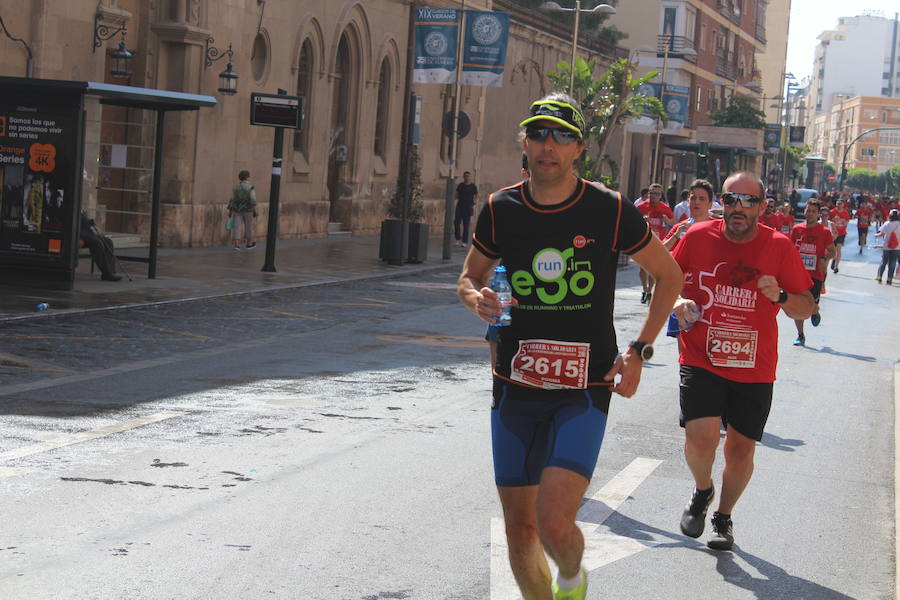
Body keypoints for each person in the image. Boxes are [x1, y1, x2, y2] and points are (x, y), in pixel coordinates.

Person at [457, 93, 682, 600]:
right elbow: (468, 278)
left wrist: (639, 351)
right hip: (514, 387)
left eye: (561, 136)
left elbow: (669, 276)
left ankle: (574, 581)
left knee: (554, 522)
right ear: (524, 143)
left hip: (583, 387)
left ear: (578, 147)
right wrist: (477, 300)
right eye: (538, 134)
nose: (548, 145)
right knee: (519, 528)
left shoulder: (609, 209)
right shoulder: (501, 208)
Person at [670, 171, 814, 551]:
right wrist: (676, 302)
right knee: (700, 438)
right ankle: (703, 490)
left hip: (754, 365)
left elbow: (806, 303)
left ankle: (723, 516)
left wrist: (781, 296)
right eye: (730, 199)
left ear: (762, 207)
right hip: (701, 355)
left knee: (740, 450)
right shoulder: (698, 236)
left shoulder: (779, 246)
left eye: (748, 201)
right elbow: (667, 277)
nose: (737, 207)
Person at [789, 200, 835, 346]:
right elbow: (789, 250)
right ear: (805, 211)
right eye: (808, 210)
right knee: (799, 307)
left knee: (811, 307)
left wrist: (824, 259)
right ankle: (800, 335)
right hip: (799, 274)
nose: (810, 214)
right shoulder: (797, 229)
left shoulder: (824, 232)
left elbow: (832, 251)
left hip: (815, 275)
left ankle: (815, 311)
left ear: (818, 214)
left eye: (813, 211)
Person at [636, 183, 675, 303]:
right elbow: (633, 221)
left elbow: (673, 222)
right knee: (643, 269)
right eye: (652, 193)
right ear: (648, 193)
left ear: (661, 195)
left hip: (659, 242)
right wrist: (641, 220)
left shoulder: (665, 208)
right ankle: (645, 289)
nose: (654, 196)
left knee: (653, 269)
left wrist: (667, 220)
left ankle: (649, 290)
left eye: (657, 194)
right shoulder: (641, 207)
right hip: (644, 240)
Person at [662, 179, 713, 251]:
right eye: (693, 198)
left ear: (710, 204)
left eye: (702, 199)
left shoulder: (718, 227)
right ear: (688, 202)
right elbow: (661, 251)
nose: (697, 202)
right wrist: (676, 235)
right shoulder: (679, 228)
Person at [79, 209, 123, 282]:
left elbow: (84, 222)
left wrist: (89, 222)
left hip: (89, 234)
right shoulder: (73, 207)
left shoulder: (82, 210)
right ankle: (107, 273)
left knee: (108, 242)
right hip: (81, 235)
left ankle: (111, 272)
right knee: (97, 243)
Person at [228, 170, 257, 250]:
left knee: (236, 226)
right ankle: (249, 243)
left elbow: (232, 199)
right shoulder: (250, 187)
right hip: (248, 209)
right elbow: (253, 200)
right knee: (248, 226)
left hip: (237, 209)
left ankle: (237, 245)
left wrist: (230, 210)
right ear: (247, 177)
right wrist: (255, 210)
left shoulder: (236, 187)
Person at [874, 209, 900, 284]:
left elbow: (881, 234)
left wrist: (875, 235)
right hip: (897, 247)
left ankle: (879, 276)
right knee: (893, 263)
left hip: (887, 246)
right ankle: (889, 279)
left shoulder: (887, 223)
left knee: (884, 261)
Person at [454, 171, 480, 247]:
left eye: (468, 176)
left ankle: (464, 241)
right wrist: (455, 199)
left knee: (466, 225)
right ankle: (457, 239)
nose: (467, 178)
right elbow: (456, 194)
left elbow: (476, 196)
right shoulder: (460, 185)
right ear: (463, 177)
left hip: (468, 208)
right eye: (465, 176)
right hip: (459, 206)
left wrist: (474, 204)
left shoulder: (473, 186)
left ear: (470, 177)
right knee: (456, 223)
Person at [828, 199, 851, 273]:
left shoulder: (845, 212)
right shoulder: (832, 212)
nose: (839, 205)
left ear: (843, 205)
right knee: (833, 249)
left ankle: (836, 266)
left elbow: (847, 221)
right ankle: (834, 259)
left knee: (839, 249)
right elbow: (829, 221)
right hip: (834, 233)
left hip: (842, 233)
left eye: (840, 204)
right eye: (838, 204)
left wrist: (844, 224)